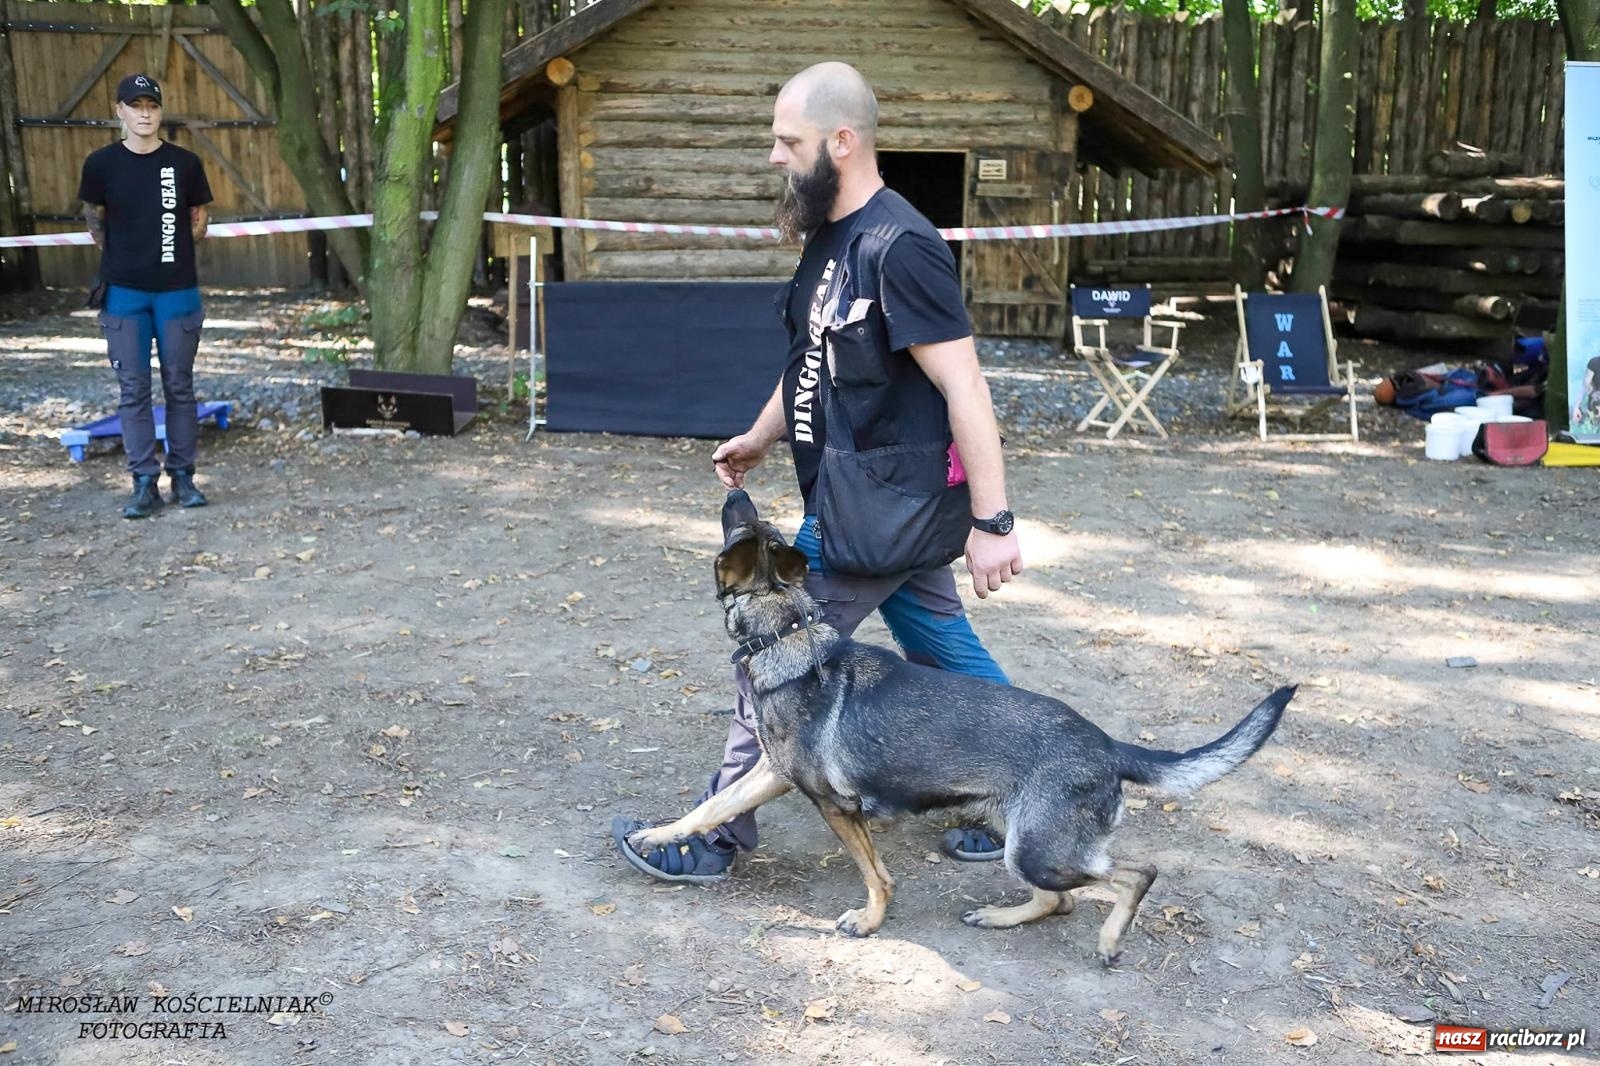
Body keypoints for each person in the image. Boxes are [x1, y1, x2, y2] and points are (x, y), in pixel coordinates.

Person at [613, 62, 1024, 882]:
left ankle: (715, 838)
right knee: (939, 639)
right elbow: (813, 362)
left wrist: (993, 523)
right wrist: (763, 436)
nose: (774, 157)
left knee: (772, 659)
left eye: (787, 141)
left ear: (843, 141)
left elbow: (964, 383)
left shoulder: (900, 246)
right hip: (860, 500)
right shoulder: (830, 236)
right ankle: (1019, 787)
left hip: (879, 511)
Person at [79, 73, 214, 519]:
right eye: (134, 106)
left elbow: (199, 220)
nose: (144, 113)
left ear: (160, 111)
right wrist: (126, 260)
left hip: (177, 293)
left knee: (180, 385)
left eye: (151, 106)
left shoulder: (185, 164)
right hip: (124, 295)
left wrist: (170, 253)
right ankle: (143, 482)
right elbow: (94, 219)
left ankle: (183, 477)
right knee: (132, 389)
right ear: (119, 111)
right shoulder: (101, 164)